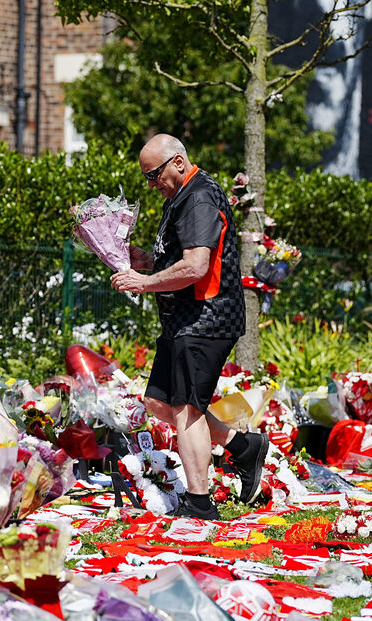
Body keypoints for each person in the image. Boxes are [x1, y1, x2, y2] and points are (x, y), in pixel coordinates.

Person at [110, 134, 268, 519]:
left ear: (178, 162)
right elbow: (178, 258)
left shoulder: (198, 196)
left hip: (206, 317)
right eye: (147, 178)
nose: (152, 184)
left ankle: (199, 504)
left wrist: (143, 282)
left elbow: (197, 266)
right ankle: (244, 447)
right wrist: (146, 260)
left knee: (186, 410)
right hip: (184, 319)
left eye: (154, 175)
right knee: (159, 402)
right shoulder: (180, 197)